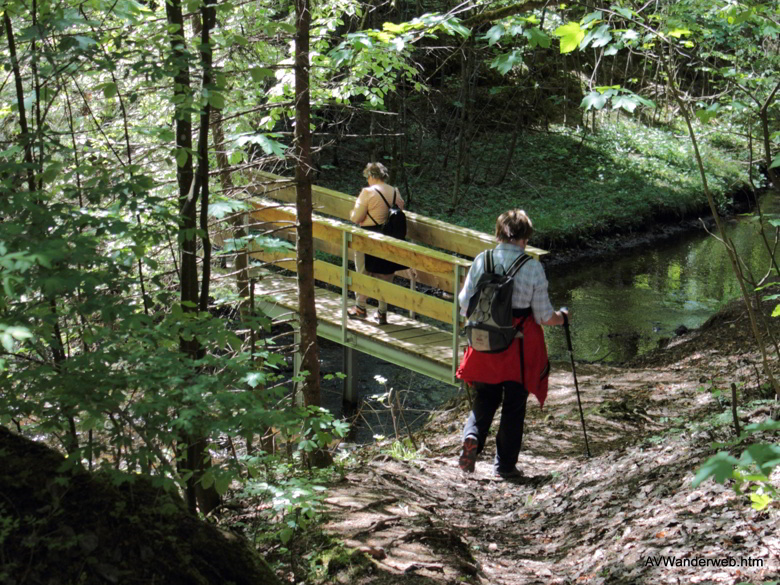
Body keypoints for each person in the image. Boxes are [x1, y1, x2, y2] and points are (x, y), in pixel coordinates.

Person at [456, 209, 568, 480]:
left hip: (483, 343)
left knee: (486, 396)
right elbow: (543, 316)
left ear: (499, 233)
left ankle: (472, 436)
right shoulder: (531, 267)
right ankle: (504, 466)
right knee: (514, 404)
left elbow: (463, 304)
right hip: (517, 347)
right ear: (525, 238)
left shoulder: (483, 259)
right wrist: (562, 318)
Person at [347, 162, 405, 325]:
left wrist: (352, 213)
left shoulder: (367, 192)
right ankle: (382, 312)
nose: (367, 180)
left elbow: (356, 218)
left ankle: (360, 308)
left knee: (363, 271)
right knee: (385, 273)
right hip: (388, 236)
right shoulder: (394, 191)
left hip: (368, 237)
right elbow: (400, 207)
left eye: (368, 177)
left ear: (372, 175)